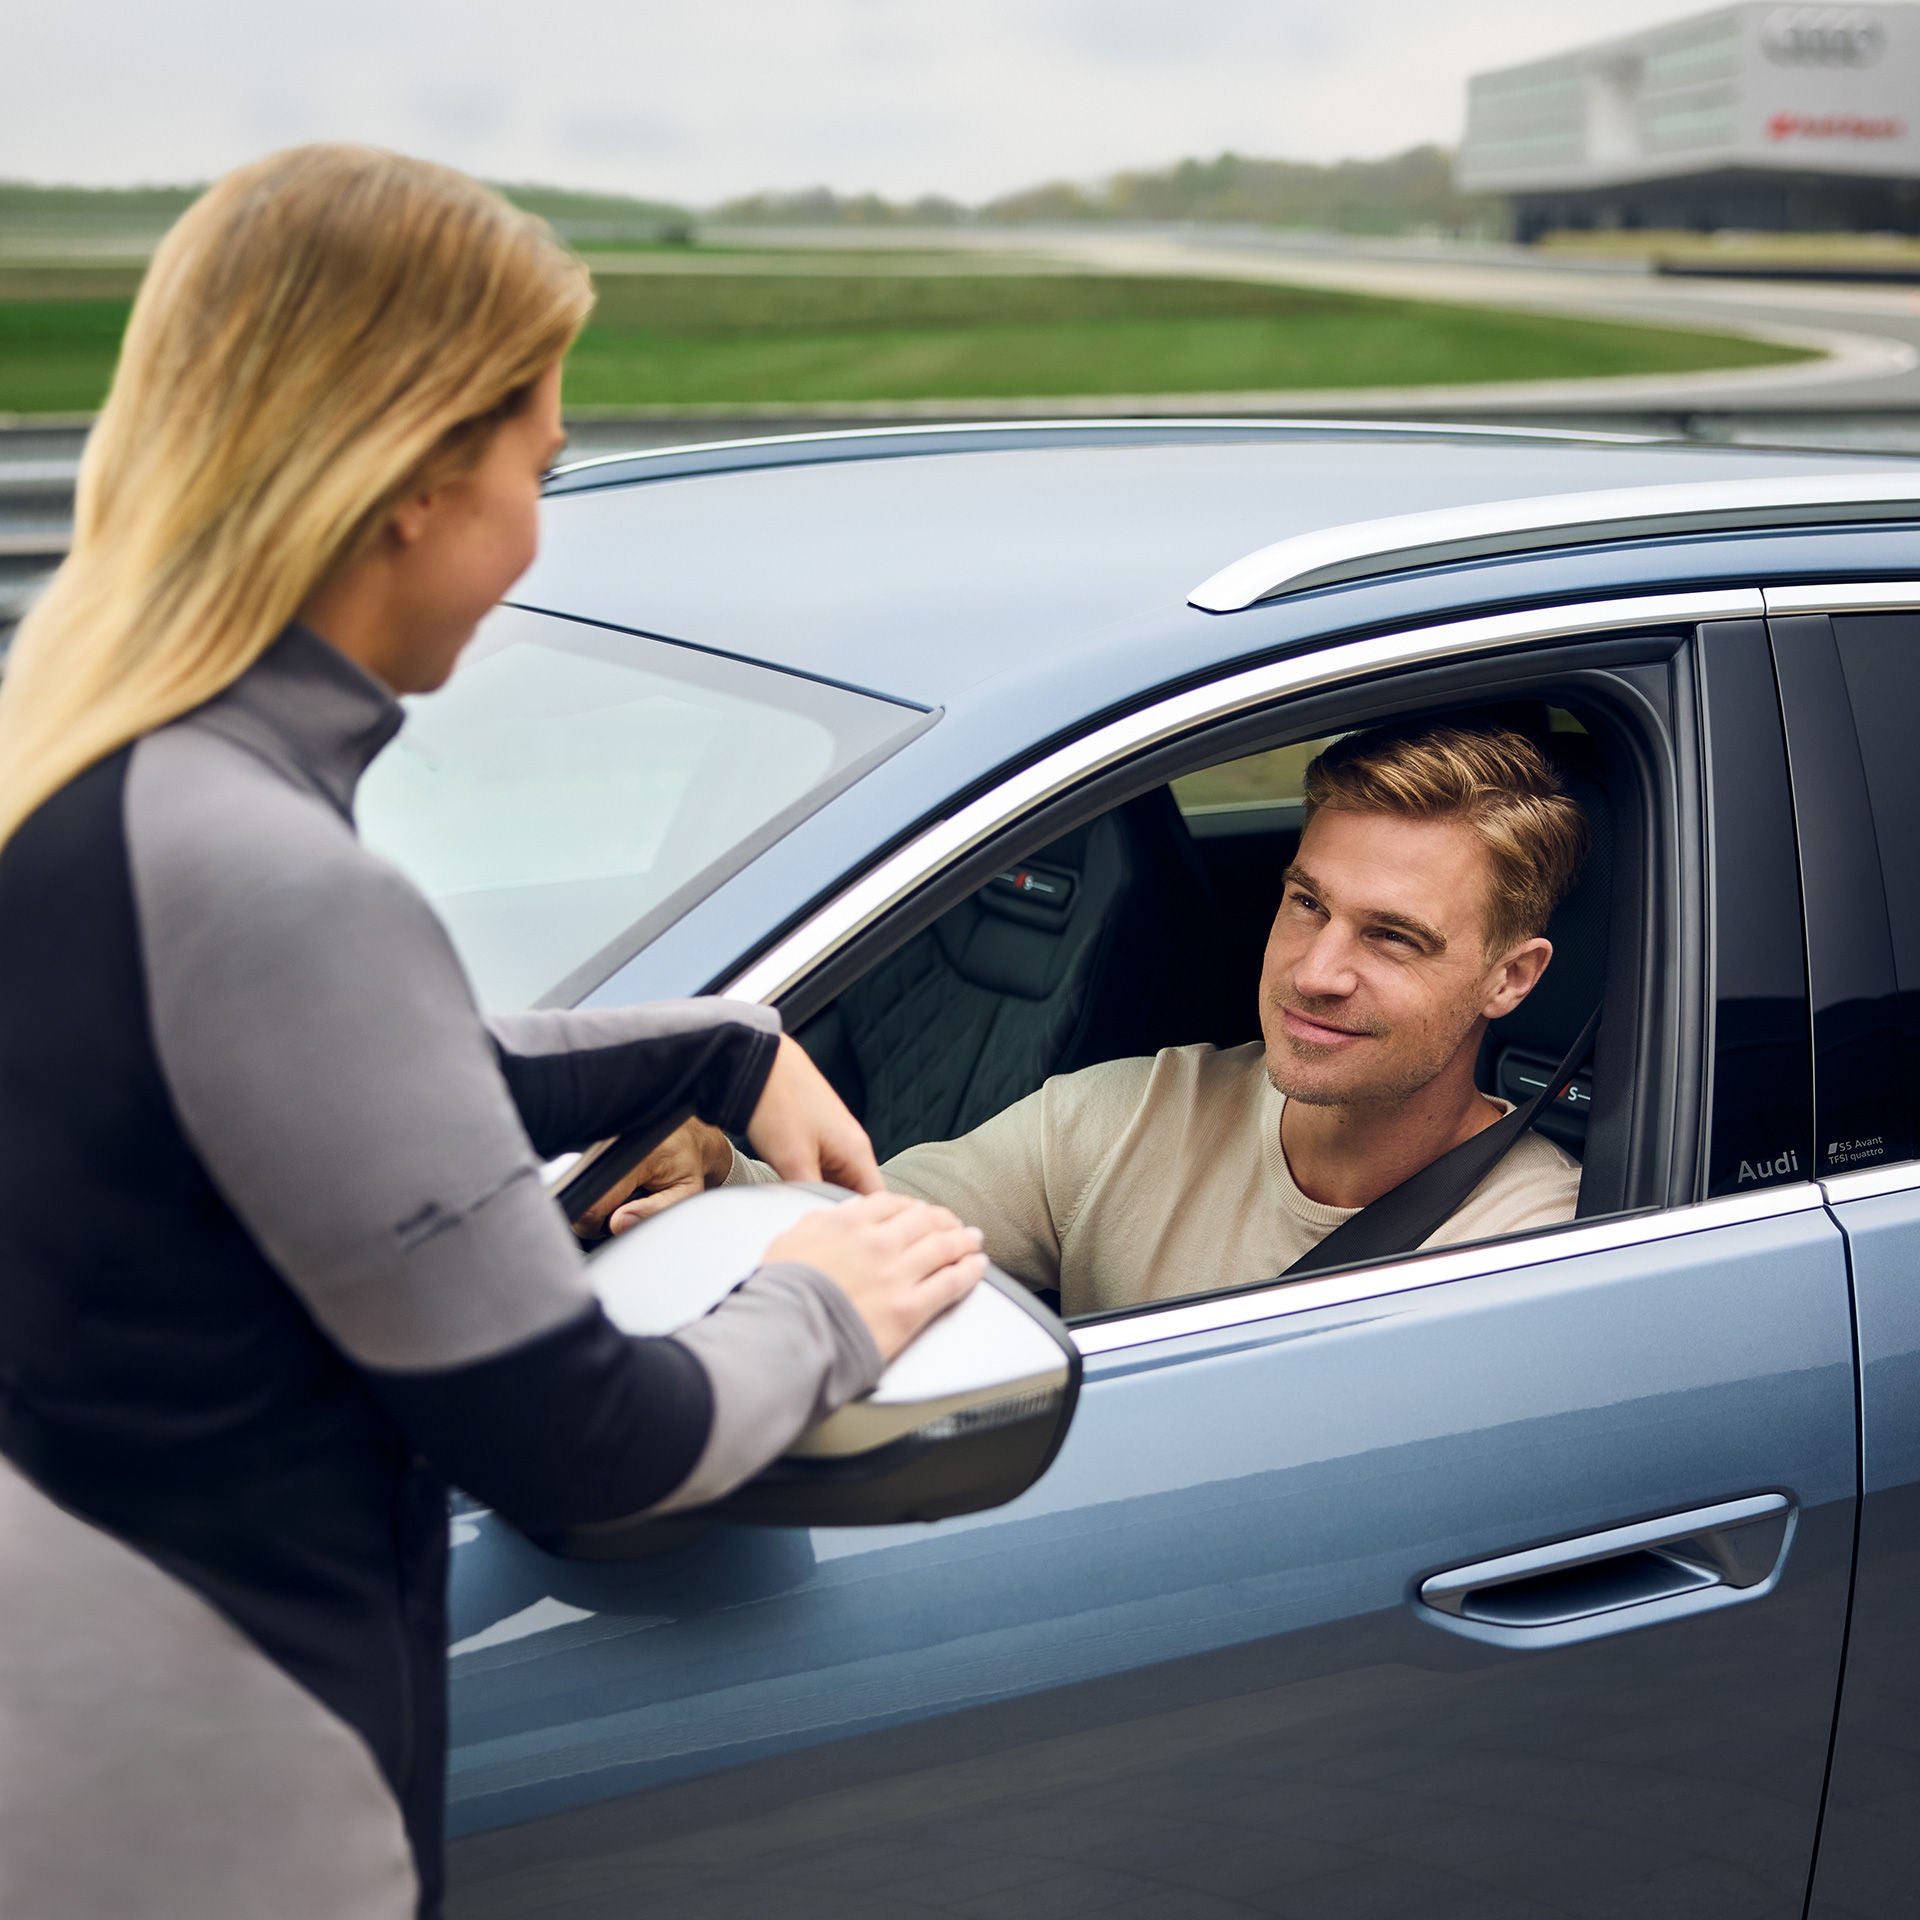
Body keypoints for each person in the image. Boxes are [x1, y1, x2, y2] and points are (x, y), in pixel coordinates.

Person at [0, 147, 984, 1920]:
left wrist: (721, 1047)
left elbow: (325, 1090)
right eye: (539, 466)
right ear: (409, 483)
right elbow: (593, 1445)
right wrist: (824, 1299)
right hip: (231, 1823)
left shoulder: (90, 782)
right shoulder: (276, 882)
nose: (537, 530)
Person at [615, 723, 1589, 1315]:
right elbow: (859, 1232)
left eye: (1393, 938)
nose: (1316, 972)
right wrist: (709, 1174)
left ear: (1510, 978)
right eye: (1307, 903)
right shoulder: (1129, 1115)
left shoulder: (1531, 1248)